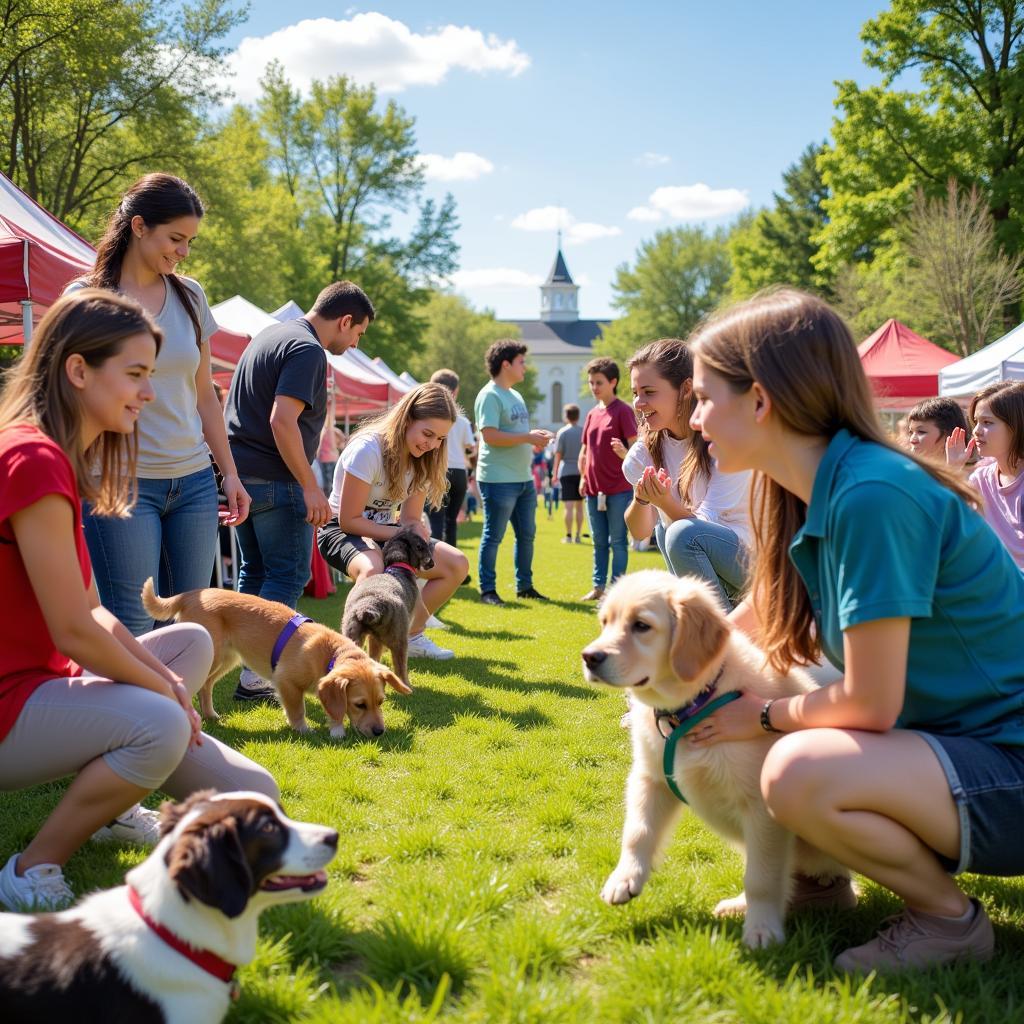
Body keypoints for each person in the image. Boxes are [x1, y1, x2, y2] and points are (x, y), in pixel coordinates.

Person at [688, 288, 1024, 971]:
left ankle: (948, 921)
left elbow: (870, 704)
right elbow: (754, 628)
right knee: (801, 700)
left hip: (1010, 769)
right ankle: (818, 883)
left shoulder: (872, 494)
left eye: (703, 396)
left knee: (795, 767)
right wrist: (682, 670)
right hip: (968, 751)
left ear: (760, 401)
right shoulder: (816, 486)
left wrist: (766, 716)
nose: (695, 418)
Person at [0, 290, 278, 911]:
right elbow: (75, 632)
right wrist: (166, 696)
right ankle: (30, 869)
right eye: (135, 374)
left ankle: (113, 810)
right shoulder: (32, 457)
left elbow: (95, 612)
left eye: (150, 376)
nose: (148, 394)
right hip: (8, 702)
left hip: (36, 686)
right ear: (78, 370)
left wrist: (163, 676)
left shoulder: (55, 456)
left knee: (196, 651)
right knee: (159, 721)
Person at [69, 173, 249, 636]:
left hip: (193, 484)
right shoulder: (87, 298)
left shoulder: (191, 296)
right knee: (131, 622)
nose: (184, 251)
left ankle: (178, 710)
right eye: (176, 238)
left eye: (189, 241)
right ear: (139, 226)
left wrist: (228, 472)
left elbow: (204, 392)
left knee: (188, 626)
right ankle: (134, 711)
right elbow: (68, 394)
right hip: (119, 483)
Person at [225, 282, 374, 701]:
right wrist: (311, 486)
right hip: (278, 479)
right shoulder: (308, 350)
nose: (355, 341)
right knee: (287, 575)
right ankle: (258, 677)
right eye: (358, 333)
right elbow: (281, 421)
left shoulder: (269, 335)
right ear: (344, 321)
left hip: (242, 476)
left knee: (254, 573)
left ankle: (242, 667)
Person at [317, 383, 469, 660]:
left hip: (389, 533)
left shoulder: (425, 458)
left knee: (456, 564)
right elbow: (349, 520)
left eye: (440, 438)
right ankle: (350, 657)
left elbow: (410, 517)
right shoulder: (367, 450)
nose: (432, 444)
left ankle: (410, 634)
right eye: (427, 434)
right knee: (373, 570)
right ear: (407, 418)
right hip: (339, 530)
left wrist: (415, 530)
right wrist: (399, 531)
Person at [621, 338, 751, 609]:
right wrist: (643, 498)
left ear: (685, 389)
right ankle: (716, 628)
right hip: (714, 571)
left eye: (649, 392)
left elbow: (699, 533)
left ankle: (720, 636)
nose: (639, 402)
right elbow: (639, 531)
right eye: (635, 393)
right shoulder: (645, 451)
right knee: (662, 531)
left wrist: (665, 502)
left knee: (679, 533)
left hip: (759, 567)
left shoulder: (724, 440)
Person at [474, 340, 554, 605]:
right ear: (505, 364)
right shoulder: (490, 395)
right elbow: (490, 436)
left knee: (527, 535)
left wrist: (534, 439)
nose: (526, 368)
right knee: (493, 536)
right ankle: (488, 591)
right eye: (522, 362)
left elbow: (516, 436)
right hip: (498, 480)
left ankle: (525, 586)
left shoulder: (515, 395)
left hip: (523, 479)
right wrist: (528, 437)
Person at [578, 358, 638, 601]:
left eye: (599, 382)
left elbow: (637, 448)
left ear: (613, 382)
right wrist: (583, 477)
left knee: (618, 541)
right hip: (593, 489)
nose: (594, 387)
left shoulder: (623, 411)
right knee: (598, 541)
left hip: (618, 488)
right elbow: (585, 449)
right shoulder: (592, 413)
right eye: (591, 382)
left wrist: (625, 454)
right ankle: (598, 587)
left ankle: (616, 590)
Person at [947, 381, 1024, 568]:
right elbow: (952, 532)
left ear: (1017, 426)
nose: (976, 431)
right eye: (976, 421)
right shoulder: (979, 479)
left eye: (987, 422)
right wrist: (953, 471)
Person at [426, 368, 476, 549]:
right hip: (459, 473)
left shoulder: (428, 417)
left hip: (438, 471)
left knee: (436, 520)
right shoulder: (461, 420)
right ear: (456, 391)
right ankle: (454, 566)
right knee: (452, 521)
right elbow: (471, 449)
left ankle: (437, 562)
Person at [552, 404, 584, 543]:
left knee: (568, 507)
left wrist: (554, 474)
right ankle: (578, 535)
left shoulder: (562, 432)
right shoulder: (583, 431)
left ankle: (569, 535)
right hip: (581, 471)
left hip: (566, 472)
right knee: (580, 506)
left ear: (566, 416)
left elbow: (558, 455)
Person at [906, 397, 969, 462]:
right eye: (911, 432)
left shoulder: (976, 471)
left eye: (921, 432)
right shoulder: (907, 469)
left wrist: (954, 467)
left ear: (948, 435)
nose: (912, 440)